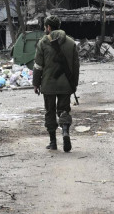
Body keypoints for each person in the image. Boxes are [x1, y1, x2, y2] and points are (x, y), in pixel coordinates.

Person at [32, 15, 80, 152]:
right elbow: (76, 66)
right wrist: (73, 84)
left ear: (48, 27)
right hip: (66, 84)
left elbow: (38, 66)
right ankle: (65, 131)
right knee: (64, 110)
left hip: (48, 85)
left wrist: (36, 83)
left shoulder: (42, 43)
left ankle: (53, 142)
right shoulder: (71, 43)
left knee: (50, 112)